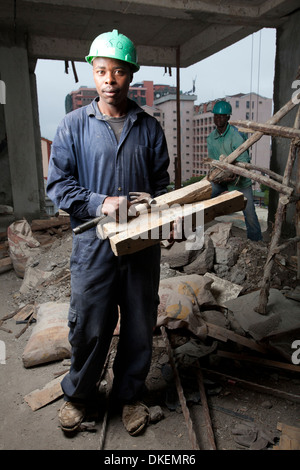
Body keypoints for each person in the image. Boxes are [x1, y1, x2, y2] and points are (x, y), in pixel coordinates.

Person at [46, 29, 170, 435]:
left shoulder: (149, 128)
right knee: (89, 325)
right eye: (102, 72)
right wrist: (102, 203)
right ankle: (80, 395)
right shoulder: (71, 127)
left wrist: (159, 210)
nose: (109, 81)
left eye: (118, 72)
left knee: (138, 323)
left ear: (130, 76)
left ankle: (129, 396)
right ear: (92, 74)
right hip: (93, 245)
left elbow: (162, 186)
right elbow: (58, 187)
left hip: (141, 247)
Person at [206, 100, 262, 241]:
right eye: (216, 116)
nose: (218, 119)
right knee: (202, 198)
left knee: (249, 212)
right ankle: (193, 235)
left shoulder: (236, 136)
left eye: (222, 116)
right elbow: (213, 161)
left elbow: (243, 162)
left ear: (228, 117)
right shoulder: (211, 138)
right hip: (220, 178)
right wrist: (217, 176)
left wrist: (233, 175)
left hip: (239, 180)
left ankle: (256, 243)